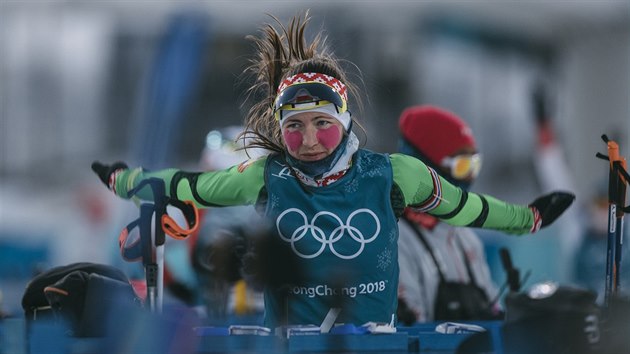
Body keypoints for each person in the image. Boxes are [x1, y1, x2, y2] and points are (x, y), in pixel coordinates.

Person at [91, 11, 575, 329]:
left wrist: (528, 219)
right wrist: (125, 180)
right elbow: (190, 186)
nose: (307, 140)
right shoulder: (267, 176)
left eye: (322, 125)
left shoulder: (394, 173)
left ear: (344, 123)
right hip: (293, 343)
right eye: (294, 127)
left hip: (376, 342)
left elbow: (467, 207)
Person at [396, 105, 501, 324]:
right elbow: (410, 328)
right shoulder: (396, 237)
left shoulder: (465, 238)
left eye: (475, 166)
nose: (469, 178)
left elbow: (493, 308)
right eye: (462, 167)